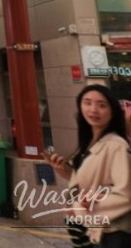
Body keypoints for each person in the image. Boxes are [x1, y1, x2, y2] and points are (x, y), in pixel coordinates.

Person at [46, 84, 131, 247]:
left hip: (114, 232)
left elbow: (125, 194)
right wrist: (67, 173)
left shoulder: (116, 145)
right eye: (87, 102)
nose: (93, 109)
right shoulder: (91, 144)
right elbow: (98, 180)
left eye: (101, 105)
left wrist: (84, 208)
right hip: (97, 231)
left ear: (112, 111)